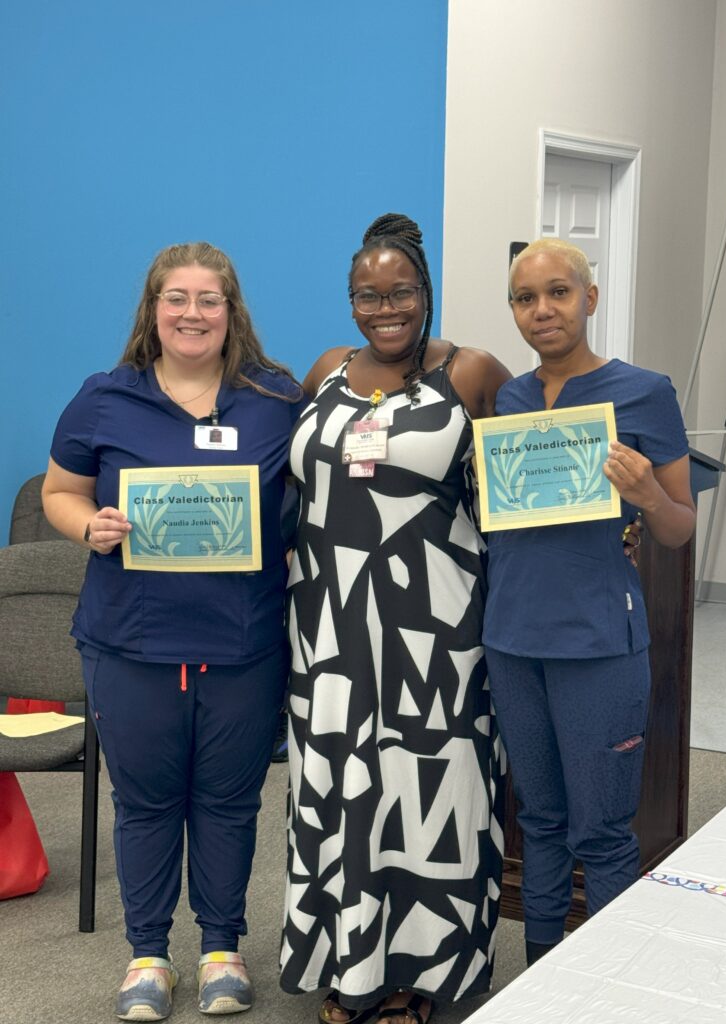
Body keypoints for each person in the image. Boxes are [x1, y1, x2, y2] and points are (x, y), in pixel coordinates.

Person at [42, 242, 304, 1021]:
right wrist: (90, 525)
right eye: (177, 298)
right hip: (131, 640)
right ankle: (148, 954)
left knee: (229, 801)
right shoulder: (104, 397)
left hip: (243, 641)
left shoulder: (276, 398)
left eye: (210, 299)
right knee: (147, 802)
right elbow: (60, 490)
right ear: (153, 310)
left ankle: (222, 946)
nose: (193, 313)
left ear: (233, 312)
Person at [279, 214, 511, 1024]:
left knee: (425, 797)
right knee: (343, 795)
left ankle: (419, 974)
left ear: (426, 291)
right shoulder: (324, 370)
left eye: (400, 291)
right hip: (330, 632)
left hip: (436, 634)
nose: (386, 308)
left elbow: (527, 475)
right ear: (350, 302)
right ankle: (351, 966)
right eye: (367, 295)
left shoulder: (471, 373)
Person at [484, 238, 696, 967]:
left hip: (600, 644)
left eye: (558, 293)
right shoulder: (508, 401)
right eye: (524, 298)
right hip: (512, 641)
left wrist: (646, 496)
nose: (541, 310)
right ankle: (543, 971)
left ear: (589, 299)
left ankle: (603, 983)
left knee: (602, 831)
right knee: (537, 820)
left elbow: (678, 528)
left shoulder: (645, 391)